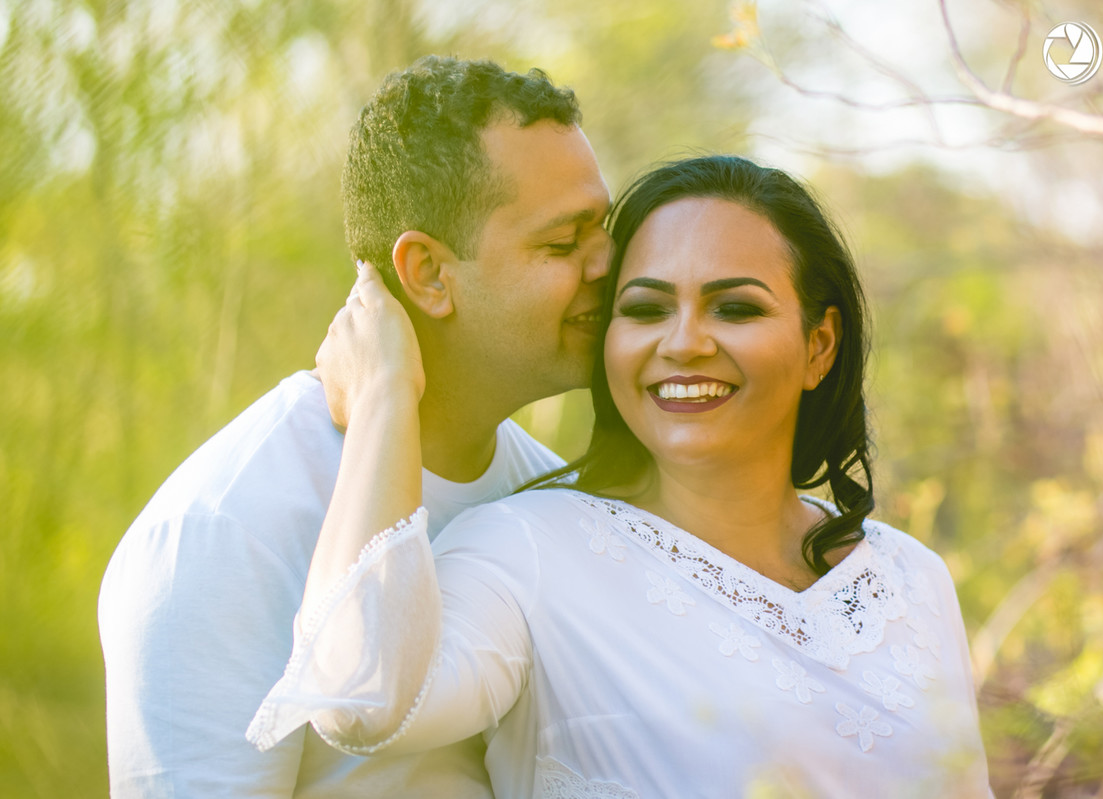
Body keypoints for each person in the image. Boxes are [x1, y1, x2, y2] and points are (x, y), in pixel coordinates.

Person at [248, 155, 993, 797]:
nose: (684, 342)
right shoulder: (531, 553)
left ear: (820, 345)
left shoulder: (911, 578)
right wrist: (384, 395)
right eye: (645, 308)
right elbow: (356, 700)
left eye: (734, 307)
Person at [98, 55, 611, 798]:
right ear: (431, 274)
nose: (614, 265)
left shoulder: (548, 492)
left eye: (607, 228)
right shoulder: (217, 527)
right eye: (564, 243)